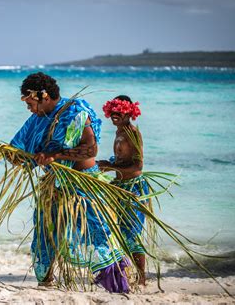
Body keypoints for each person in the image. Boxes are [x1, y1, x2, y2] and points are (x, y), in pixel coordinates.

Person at [10, 72, 129, 293]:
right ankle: (45, 283)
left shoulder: (75, 111)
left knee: (97, 234)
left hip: (82, 185)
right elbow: (18, 150)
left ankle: (118, 286)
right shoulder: (36, 120)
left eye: (30, 103)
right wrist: (9, 154)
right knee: (44, 233)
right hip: (52, 185)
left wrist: (55, 156)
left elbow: (90, 149)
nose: (29, 108)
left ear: (44, 96)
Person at [97, 95, 149, 285]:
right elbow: (123, 159)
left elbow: (137, 167)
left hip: (132, 189)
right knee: (117, 232)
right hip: (119, 187)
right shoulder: (120, 132)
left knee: (131, 234)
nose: (115, 115)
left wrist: (111, 168)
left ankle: (142, 278)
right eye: (113, 111)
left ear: (129, 112)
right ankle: (123, 272)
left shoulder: (132, 133)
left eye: (120, 111)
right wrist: (107, 163)